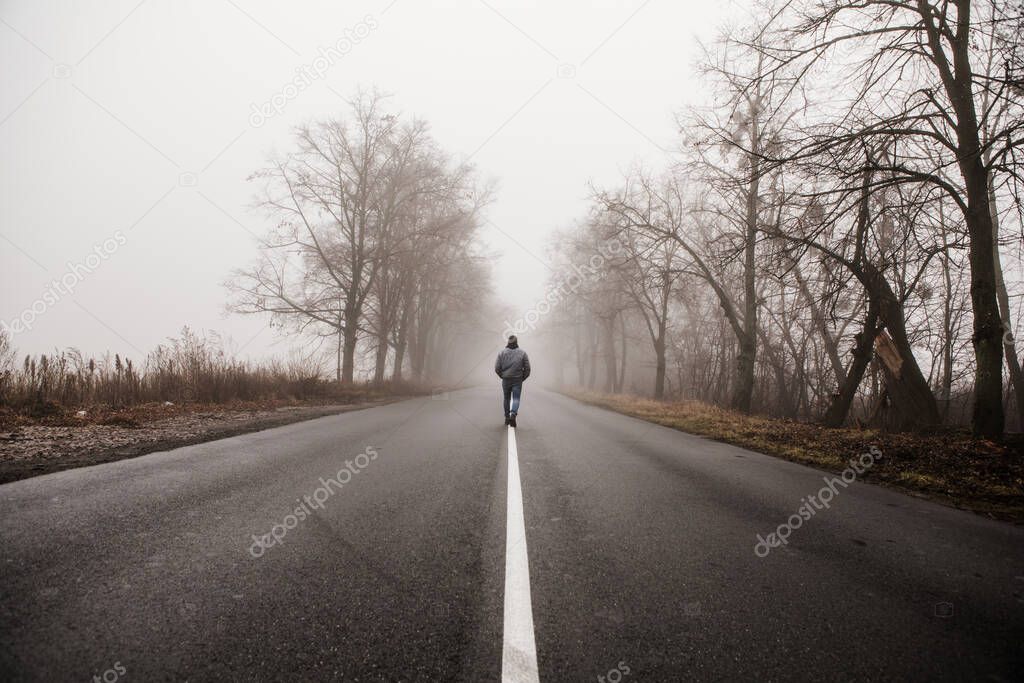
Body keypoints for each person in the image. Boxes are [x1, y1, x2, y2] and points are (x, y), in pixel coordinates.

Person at [495, 334, 530, 428]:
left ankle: (507, 418)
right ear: (517, 342)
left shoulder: (501, 353)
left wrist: (502, 376)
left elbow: (497, 368)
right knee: (516, 398)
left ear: (508, 342)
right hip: (517, 379)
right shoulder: (522, 353)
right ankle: (513, 414)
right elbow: (527, 368)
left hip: (506, 379)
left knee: (506, 398)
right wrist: (522, 378)